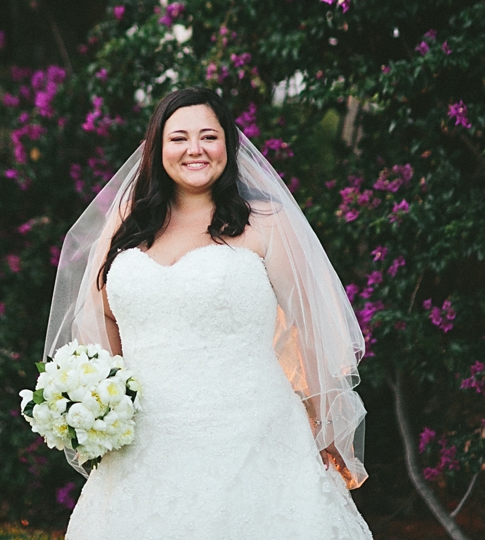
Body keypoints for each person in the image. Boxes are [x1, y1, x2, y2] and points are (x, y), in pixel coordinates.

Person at [45, 86, 373, 539]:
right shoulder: (127, 222)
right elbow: (101, 317)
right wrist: (102, 405)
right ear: (158, 148)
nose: (194, 149)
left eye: (208, 136)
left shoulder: (265, 222)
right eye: (178, 138)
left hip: (254, 439)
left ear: (229, 144)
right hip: (146, 447)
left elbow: (310, 326)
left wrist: (327, 430)